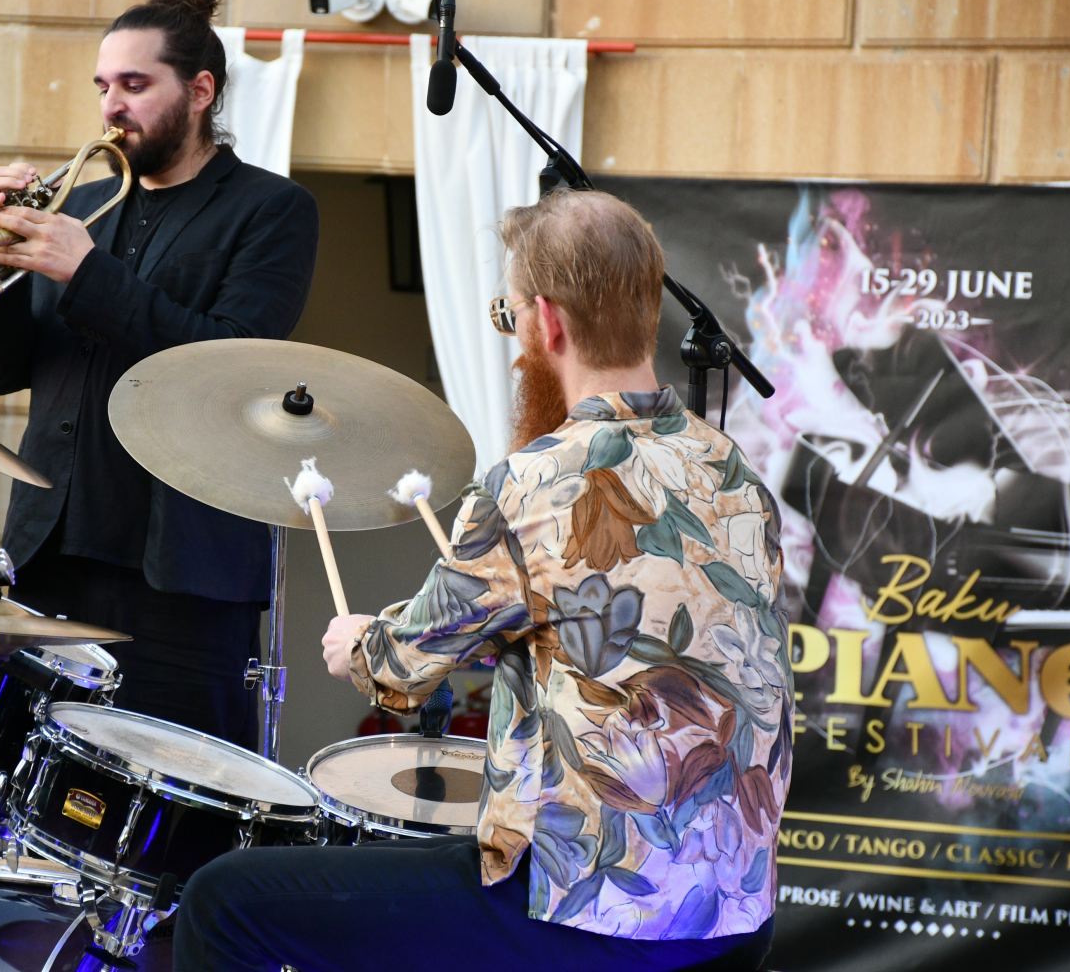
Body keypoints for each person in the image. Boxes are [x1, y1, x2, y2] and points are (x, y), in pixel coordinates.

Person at [174, 190, 792, 971]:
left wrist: (359, 642)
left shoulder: (531, 483)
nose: (515, 345)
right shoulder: (734, 471)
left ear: (551, 323)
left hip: (589, 912)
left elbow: (399, 668)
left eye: (512, 318)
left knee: (223, 901)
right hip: (737, 914)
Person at [0, 0, 318, 749]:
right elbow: (4, 373)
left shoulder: (271, 210)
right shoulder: (83, 202)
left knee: (170, 827)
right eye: (102, 86)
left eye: (134, 84)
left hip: (181, 576)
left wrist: (87, 273)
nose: (110, 107)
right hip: (51, 550)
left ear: (200, 91)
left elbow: (228, 364)